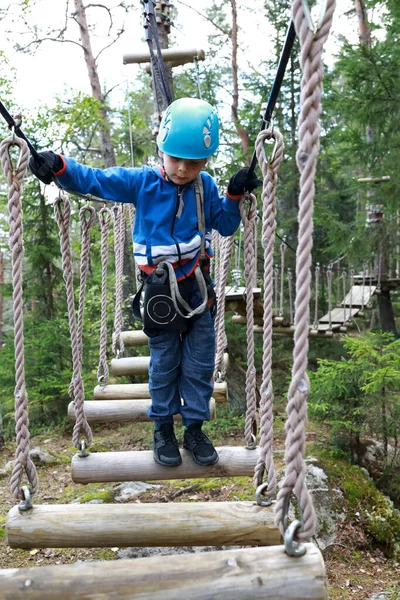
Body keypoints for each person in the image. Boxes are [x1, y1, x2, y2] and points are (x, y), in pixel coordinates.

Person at [29, 97, 261, 468]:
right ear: (161, 151)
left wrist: (233, 195)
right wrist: (58, 167)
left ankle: (195, 428)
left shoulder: (204, 186)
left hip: (198, 291)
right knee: (165, 364)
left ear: (206, 161)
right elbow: (96, 180)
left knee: (200, 364)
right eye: (175, 159)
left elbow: (226, 224)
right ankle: (163, 430)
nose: (183, 169)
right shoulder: (143, 183)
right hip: (159, 294)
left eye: (195, 162)